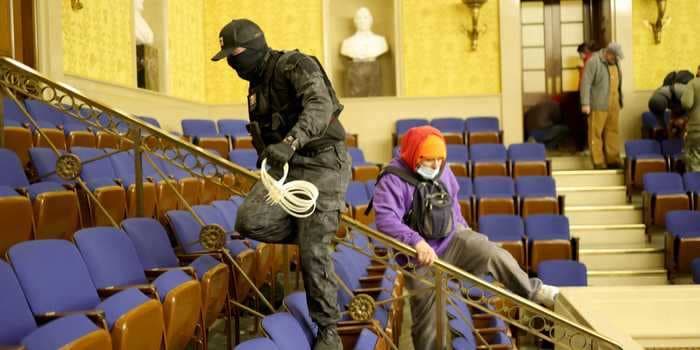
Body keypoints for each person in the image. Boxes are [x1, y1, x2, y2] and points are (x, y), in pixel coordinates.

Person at [211, 19, 351, 350]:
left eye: (236, 55)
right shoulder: (255, 89)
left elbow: (320, 105)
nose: (232, 63)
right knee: (249, 220)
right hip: (286, 169)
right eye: (227, 57)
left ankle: (329, 330)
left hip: (322, 161)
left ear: (255, 47)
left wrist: (291, 141)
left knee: (314, 249)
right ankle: (317, 225)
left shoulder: (294, 64)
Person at [372, 125, 559, 350]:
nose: (436, 165)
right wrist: (416, 242)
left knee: (493, 253)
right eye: (430, 160)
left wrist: (464, 229)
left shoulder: (443, 170)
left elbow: (453, 205)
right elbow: (385, 220)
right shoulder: (392, 179)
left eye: (440, 159)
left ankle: (534, 291)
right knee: (430, 324)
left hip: (453, 240)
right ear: (414, 155)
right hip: (419, 257)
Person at [580, 42, 624, 169]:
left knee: (613, 132)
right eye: (615, 57)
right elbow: (585, 83)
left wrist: (620, 100)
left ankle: (613, 159)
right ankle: (598, 161)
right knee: (596, 133)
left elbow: (619, 83)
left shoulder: (615, 63)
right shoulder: (593, 62)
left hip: (614, 103)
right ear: (608, 53)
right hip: (598, 103)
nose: (616, 60)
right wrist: (585, 103)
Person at [340, 7, 389, 97]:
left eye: (365, 17)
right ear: (355, 21)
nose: (362, 21)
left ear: (371, 20)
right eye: (359, 18)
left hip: (374, 73)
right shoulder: (347, 43)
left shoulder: (380, 41)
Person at [648, 70, 694, 138]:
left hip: (691, 103)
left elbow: (695, 106)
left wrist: (685, 118)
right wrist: (664, 129)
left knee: (686, 126)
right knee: (673, 125)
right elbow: (661, 120)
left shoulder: (682, 91)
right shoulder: (655, 100)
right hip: (677, 102)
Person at [682, 77, 700, 172]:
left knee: (693, 159)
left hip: (696, 129)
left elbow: (686, 103)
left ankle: (695, 186)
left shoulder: (693, 83)